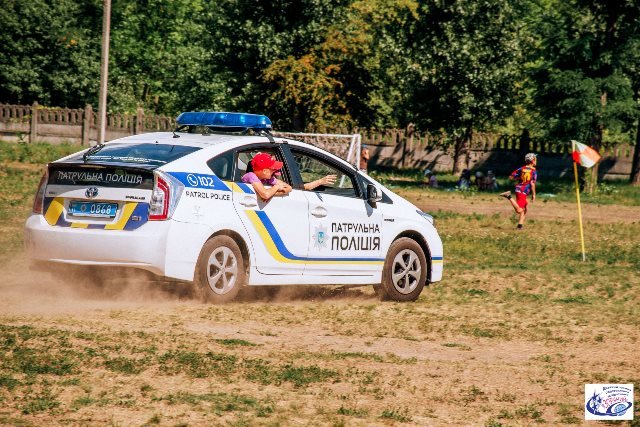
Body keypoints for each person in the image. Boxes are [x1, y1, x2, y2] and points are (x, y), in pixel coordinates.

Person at [500, 153, 538, 229]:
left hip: (519, 189)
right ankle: (508, 196)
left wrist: (520, 178)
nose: (536, 161)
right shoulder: (533, 170)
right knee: (519, 210)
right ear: (532, 161)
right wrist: (534, 195)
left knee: (524, 209)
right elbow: (532, 183)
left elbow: (511, 177)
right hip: (523, 191)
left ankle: (519, 226)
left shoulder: (522, 168)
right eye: (535, 159)